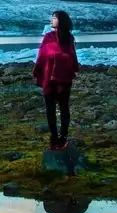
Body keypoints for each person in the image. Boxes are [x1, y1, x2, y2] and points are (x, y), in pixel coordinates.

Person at [32, 10, 81, 150]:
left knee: (64, 107)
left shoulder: (69, 38)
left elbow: (70, 55)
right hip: (49, 77)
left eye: (54, 18)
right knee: (50, 109)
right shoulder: (48, 37)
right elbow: (42, 55)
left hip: (64, 78)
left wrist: (70, 66)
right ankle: (54, 138)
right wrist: (37, 71)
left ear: (61, 21)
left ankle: (63, 137)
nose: (51, 20)